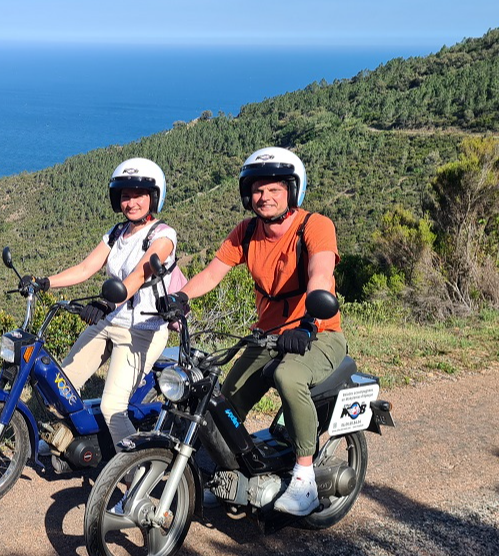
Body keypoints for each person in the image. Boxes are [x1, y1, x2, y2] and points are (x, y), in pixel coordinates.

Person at [157, 146, 346, 516]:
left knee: (288, 375)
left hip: (317, 332)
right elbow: (212, 273)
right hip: (267, 335)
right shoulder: (246, 232)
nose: (265, 196)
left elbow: (320, 274)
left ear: (293, 190)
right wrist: (180, 296)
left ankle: (304, 479)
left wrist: (308, 322)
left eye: (275, 189)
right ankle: (230, 474)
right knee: (222, 405)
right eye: (258, 189)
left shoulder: (314, 226)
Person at [20, 157, 178, 450]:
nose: (131, 203)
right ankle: (79, 442)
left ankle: (135, 471)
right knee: (59, 389)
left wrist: (107, 302)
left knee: (112, 407)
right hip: (110, 321)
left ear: (154, 197)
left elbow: (140, 273)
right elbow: (85, 268)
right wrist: (44, 282)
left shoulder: (163, 235)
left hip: (142, 329)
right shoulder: (117, 233)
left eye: (139, 195)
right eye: (126, 196)